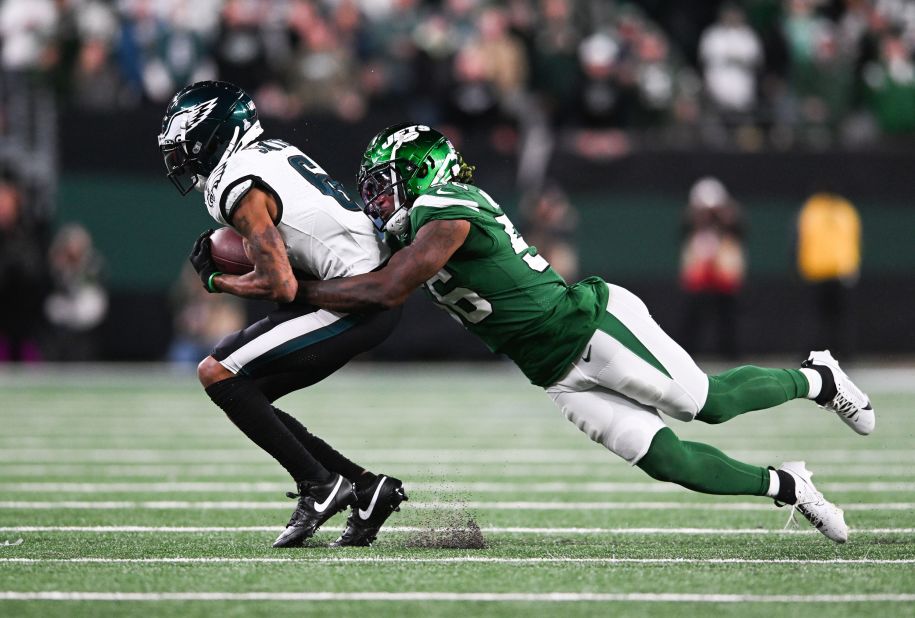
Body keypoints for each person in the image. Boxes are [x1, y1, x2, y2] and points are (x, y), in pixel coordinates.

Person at [296, 124, 876, 543]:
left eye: (385, 183)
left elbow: (385, 289)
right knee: (667, 462)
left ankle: (817, 378)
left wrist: (292, 290)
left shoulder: (448, 203)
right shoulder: (413, 226)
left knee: (708, 403)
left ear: (422, 171)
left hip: (590, 326)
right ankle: (787, 486)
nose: (377, 198)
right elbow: (360, 271)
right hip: (555, 374)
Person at [156, 81, 406, 548]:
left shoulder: (238, 181)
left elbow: (282, 286)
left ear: (211, 134)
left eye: (186, 146)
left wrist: (217, 280)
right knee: (246, 394)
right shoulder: (267, 151)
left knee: (217, 372)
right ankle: (366, 488)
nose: (183, 159)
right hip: (358, 289)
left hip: (354, 299)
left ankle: (321, 484)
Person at [678, 177, 745, 358]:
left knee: (727, 317)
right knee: (694, 317)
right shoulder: (693, 224)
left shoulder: (729, 223)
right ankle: (686, 353)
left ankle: (729, 352)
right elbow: (683, 230)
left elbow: (741, 231)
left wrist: (724, 216)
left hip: (723, 274)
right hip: (699, 275)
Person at [795, 190, 861, 357]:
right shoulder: (844, 210)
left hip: (818, 271)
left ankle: (820, 354)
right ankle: (838, 355)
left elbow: (799, 239)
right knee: (832, 319)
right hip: (835, 272)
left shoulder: (812, 210)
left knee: (823, 319)